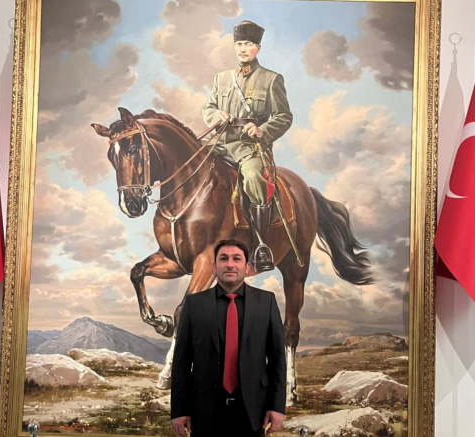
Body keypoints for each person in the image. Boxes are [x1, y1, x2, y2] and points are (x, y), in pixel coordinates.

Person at [170, 239, 287, 437]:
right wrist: (179, 410)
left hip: (253, 411)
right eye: (223, 259)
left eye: (236, 259)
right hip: (203, 411)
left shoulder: (266, 302)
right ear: (214, 266)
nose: (230, 264)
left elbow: (277, 359)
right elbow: (181, 361)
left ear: (247, 267)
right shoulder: (194, 304)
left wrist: (277, 406)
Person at [202, 20, 293, 273]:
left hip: (249, 146)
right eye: (240, 44)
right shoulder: (222, 78)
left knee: (253, 177)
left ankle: (260, 244)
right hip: (220, 141)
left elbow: (284, 116)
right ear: (234, 47)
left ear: (258, 48)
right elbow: (208, 107)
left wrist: (262, 130)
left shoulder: (271, 79)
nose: (243, 49)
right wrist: (217, 115)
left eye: (249, 44)